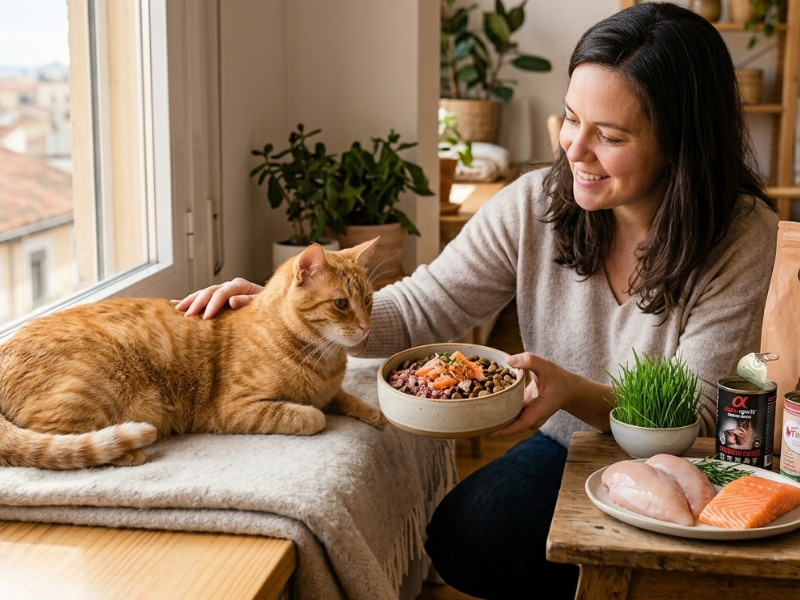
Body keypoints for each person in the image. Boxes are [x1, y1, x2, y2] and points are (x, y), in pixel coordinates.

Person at [175, 3, 779, 598]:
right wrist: (281, 307)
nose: (574, 149)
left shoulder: (741, 232)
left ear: (679, 143)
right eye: (571, 119)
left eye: (610, 135)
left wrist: (572, 391)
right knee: (465, 538)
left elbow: (699, 415)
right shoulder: (534, 203)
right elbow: (424, 307)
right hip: (572, 443)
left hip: (686, 462)